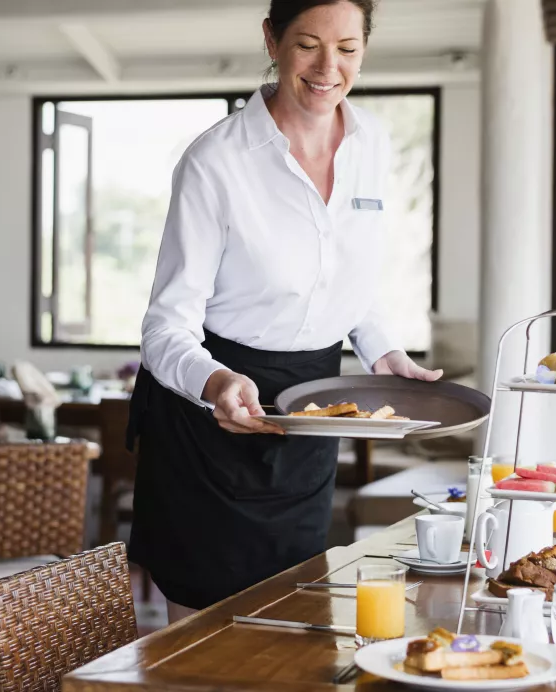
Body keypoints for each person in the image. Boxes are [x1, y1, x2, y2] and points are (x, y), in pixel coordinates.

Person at [126, 0, 442, 624]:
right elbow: (165, 326)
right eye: (307, 45)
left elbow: (348, 279)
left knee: (297, 622)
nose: (328, 68)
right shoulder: (215, 160)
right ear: (272, 40)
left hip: (308, 414)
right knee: (202, 640)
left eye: (347, 49)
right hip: (211, 416)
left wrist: (383, 352)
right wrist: (215, 382)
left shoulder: (373, 143)